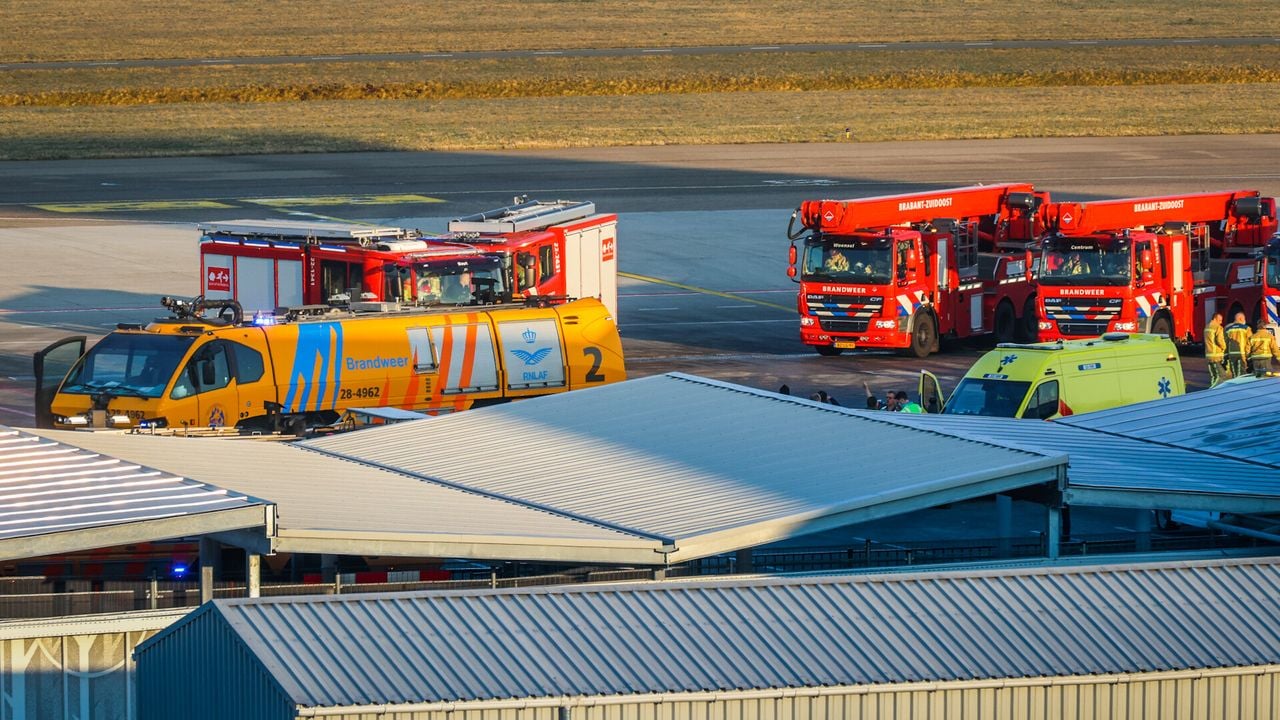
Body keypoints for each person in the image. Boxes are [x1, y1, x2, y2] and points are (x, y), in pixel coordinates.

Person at [1224, 311, 1252, 379]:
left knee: (1234, 372)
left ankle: (1235, 386)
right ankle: (1241, 387)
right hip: (1241, 354)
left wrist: (1226, 355)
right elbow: (1249, 342)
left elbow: (1225, 343)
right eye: (1244, 318)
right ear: (1240, 319)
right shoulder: (1246, 328)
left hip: (1232, 354)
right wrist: (1248, 354)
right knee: (1242, 373)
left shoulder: (1228, 329)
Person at [1203, 311, 1227, 387]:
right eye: (1220, 320)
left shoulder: (1207, 327)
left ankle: (1212, 390)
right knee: (1222, 376)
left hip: (1209, 356)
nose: (1221, 322)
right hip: (1216, 356)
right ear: (1215, 319)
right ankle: (1214, 391)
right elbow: (1220, 340)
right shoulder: (1218, 327)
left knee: (1214, 376)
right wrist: (1224, 348)